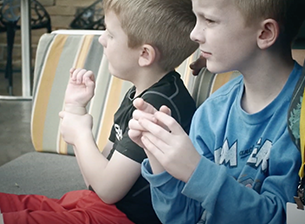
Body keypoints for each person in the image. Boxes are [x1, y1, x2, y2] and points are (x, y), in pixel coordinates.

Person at [0, 0, 198, 223]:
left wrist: (81, 133)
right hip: (94, 205)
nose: (102, 40)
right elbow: (94, 180)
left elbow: (107, 190)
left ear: (145, 54)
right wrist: (75, 108)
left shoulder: (158, 108)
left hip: (116, 219)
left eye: (111, 34)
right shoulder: (140, 93)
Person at [128, 0, 305, 223]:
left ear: (265, 33)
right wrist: (158, 154)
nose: (194, 34)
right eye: (196, 19)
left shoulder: (300, 119)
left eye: (209, 20)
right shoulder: (212, 112)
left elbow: (285, 218)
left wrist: (196, 170)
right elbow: (182, 218)